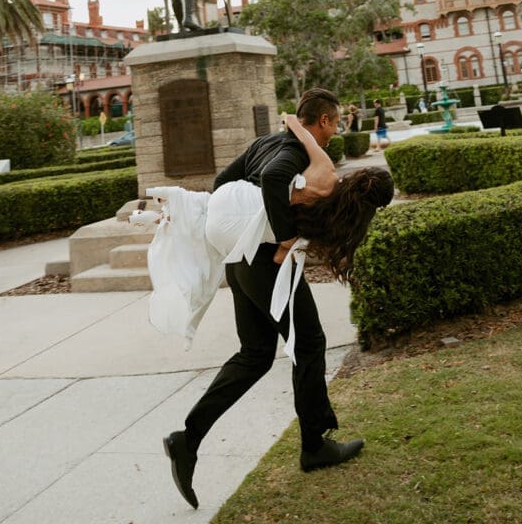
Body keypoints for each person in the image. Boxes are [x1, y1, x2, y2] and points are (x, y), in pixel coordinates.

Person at [145, 88, 393, 509]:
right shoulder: (297, 152)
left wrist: (251, 216)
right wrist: (283, 237)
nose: (335, 132)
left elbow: (223, 182)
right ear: (324, 121)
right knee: (309, 343)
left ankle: (188, 439)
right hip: (262, 259)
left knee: (257, 354)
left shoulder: (266, 142)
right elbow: (277, 179)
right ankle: (315, 445)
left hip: (239, 256)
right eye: (335, 124)